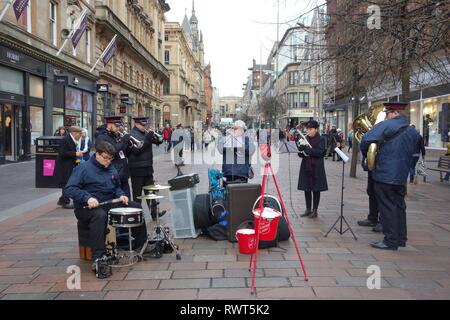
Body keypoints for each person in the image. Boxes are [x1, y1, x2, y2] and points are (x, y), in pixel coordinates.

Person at [64, 141, 149, 279]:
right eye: (105, 158)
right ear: (97, 154)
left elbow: (116, 187)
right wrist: (87, 197)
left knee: (136, 207)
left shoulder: (111, 168)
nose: (108, 161)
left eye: (110, 158)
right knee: (100, 216)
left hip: (109, 202)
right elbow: (70, 189)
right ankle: (98, 257)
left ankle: (141, 244)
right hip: (87, 208)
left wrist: (121, 195)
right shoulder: (83, 168)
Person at [361, 102, 420, 250]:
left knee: (387, 207)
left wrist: (366, 156)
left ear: (394, 113)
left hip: (385, 173)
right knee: (399, 206)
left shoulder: (386, 126)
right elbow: (415, 152)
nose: (386, 116)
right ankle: (401, 238)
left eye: (387, 113)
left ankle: (390, 240)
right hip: (401, 175)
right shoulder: (412, 130)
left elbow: (366, 139)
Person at [128, 117, 166, 221]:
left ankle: (154, 213)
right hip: (137, 169)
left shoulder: (146, 133)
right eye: (142, 125)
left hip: (148, 168)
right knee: (137, 195)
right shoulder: (131, 135)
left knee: (150, 192)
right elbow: (136, 150)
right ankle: (137, 214)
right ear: (136, 124)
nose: (144, 127)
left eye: (145, 125)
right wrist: (148, 139)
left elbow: (157, 141)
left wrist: (158, 139)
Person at [297, 120, 328, 219]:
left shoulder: (321, 139)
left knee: (316, 189)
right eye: (307, 129)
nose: (308, 131)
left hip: (316, 167)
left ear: (316, 129)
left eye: (311, 129)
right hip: (306, 166)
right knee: (306, 188)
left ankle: (315, 210)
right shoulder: (305, 139)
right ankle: (308, 209)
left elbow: (320, 152)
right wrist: (301, 150)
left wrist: (308, 150)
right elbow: (303, 153)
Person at [95, 116, 132, 198]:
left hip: (123, 173)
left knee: (127, 200)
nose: (118, 128)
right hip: (113, 174)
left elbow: (125, 153)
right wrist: (123, 141)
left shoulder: (116, 135)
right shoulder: (102, 137)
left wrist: (128, 145)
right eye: (116, 126)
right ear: (109, 124)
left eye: (119, 126)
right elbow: (112, 151)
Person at [218, 120, 255, 184]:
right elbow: (220, 149)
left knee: (239, 192)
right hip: (228, 172)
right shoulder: (227, 139)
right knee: (228, 192)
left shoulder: (247, 140)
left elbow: (251, 150)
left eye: (239, 129)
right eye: (235, 128)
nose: (238, 130)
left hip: (242, 173)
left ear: (243, 130)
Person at [56, 126, 83, 209]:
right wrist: (75, 154)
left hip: (70, 165)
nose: (80, 136)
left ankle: (62, 200)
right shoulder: (65, 140)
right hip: (65, 166)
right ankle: (65, 201)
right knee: (66, 183)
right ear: (74, 133)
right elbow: (62, 153)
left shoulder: (73, 140)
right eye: (79, 134)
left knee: (68, 182)